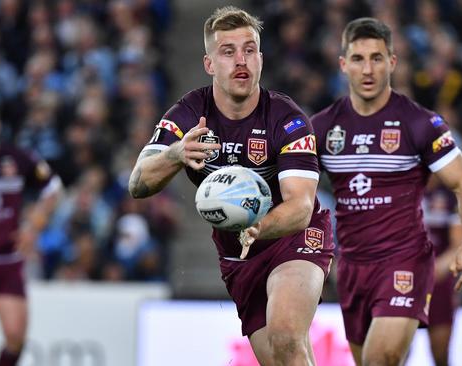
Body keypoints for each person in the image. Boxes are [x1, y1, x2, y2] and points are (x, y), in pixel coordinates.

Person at [128, 6, 334, 364]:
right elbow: (138, 183)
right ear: (209, 64)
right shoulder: (189, 114)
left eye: (249, 50)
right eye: (228, 51)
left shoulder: (288, 121)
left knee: (287, 334)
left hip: (293, 236)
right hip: (238, 251)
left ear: (261, 59)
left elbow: (301, 208)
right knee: (284, 358)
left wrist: (260, 226)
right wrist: (175, 154)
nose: (241, 60)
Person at [311, 17, 462, 365]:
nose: (368, 69)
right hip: (352, 268)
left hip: (403, 261)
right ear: (343, 64)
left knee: (382, 359)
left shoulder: (419, 122)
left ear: (392, 62)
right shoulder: (322, 127)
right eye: (358, 59)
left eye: (377, 58)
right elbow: (290, 186)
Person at [0, 101, 62, 366]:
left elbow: (52, 188)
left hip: (9, 259)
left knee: (15, 338)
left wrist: (34, 225)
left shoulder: (18, 157)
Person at [422, 178, 462, 366]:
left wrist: (434, 269)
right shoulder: (401, 186)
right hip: (403, 278)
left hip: (438, 281)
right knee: (396, 352)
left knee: (440, 354)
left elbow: (457, 246)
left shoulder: (451, 195)